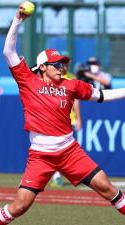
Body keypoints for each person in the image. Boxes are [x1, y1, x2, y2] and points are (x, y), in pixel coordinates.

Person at [0, 4, 125, 225]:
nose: (61, 67)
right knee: (21, 205)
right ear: (43, 66)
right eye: (56, 64)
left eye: (63, 63)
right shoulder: (27, 80)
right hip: (41, 155)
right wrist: (17, 20)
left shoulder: (71, 85)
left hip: (69, 150)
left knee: (106, 187)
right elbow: (8, 51)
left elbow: (102, 95)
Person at [50, 52, 83, 188]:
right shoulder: (50, 77)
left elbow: (75, 101)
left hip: (69, 119)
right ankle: (55, 175)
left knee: (64, 150)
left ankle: (57, 175)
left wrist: (79, 119)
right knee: (56, 150)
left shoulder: (71, 78)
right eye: (61, 62)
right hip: (54, 119)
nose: (65, 65)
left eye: (66, 62)